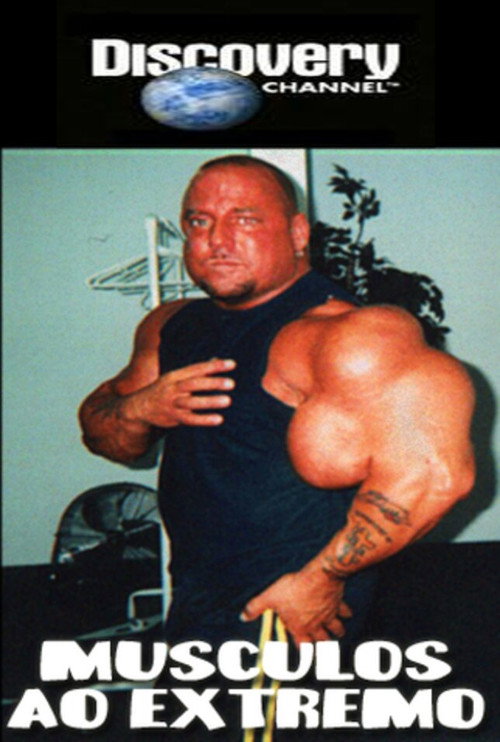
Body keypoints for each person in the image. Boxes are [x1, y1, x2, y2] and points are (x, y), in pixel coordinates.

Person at [79, 155, 475, 653]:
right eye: (199, 222)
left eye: (244, 220)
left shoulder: (347, 336)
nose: (217, 240)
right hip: (196, 600)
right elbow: (107, 438)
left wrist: (322, 579)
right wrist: (138, 409)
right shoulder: (173, 326)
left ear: (298, 233)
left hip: (284, 615)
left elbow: (435, 476)